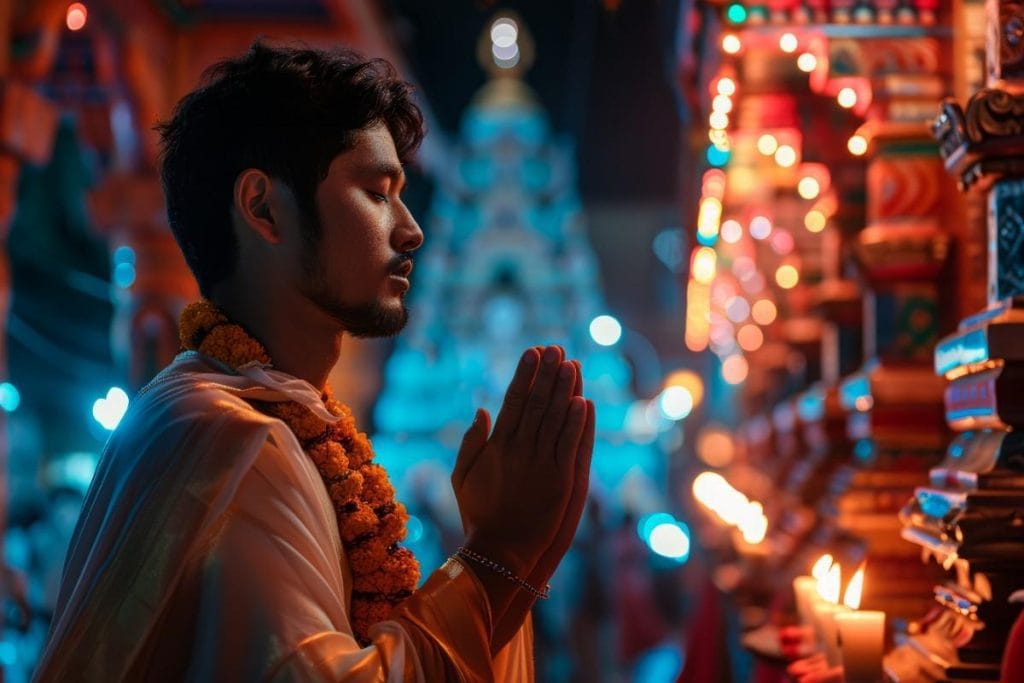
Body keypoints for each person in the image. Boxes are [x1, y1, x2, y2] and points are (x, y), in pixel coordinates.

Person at [33, 41, 594, 682]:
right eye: (377, 192)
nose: (411, 230)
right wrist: (498, 555)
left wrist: (512, 555)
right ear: (265, 209)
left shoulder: (266, 418)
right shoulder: (230, 438)